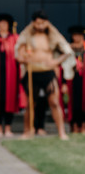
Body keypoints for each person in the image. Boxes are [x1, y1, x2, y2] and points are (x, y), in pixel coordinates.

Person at [15, 10, 74, 140]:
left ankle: (61, 132)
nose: (40, 26)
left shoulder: (52, 35)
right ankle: (27, 132)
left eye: (43, 23)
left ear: (47, 23)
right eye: (38, 23)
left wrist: (56, 61)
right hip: (32, 71)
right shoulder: (27, 35)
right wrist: (23, 58)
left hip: (48, 72)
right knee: (31, 104)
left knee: (54, 102)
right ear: (33, 23)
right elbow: (19, 53)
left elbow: (67, 51)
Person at [66, 25, 85, 133]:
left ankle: (83, 125)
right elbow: (63, 66)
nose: (77, 37)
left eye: (79, 35)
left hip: (84, 79)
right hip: (71, 78)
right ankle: (74, 125)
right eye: (75, 35)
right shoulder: (68, 48)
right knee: (73, 102)